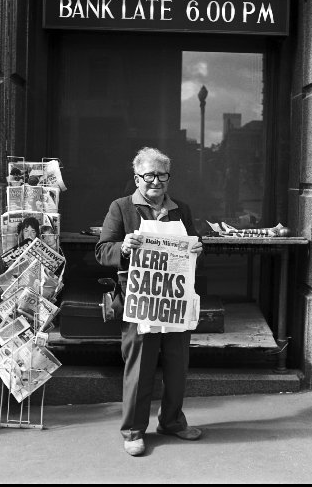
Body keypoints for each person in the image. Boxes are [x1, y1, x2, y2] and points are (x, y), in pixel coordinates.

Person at [95, 147, 203, 457]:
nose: (156, 181)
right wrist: (124, 247)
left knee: (177, 365)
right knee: (139, 367)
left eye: (162, 175)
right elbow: (103, 251)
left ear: (169, 177)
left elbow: (195, 243)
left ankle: (171, 422)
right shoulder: (122, 207)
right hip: (140, 300)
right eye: (149, 175)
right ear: (137, 178)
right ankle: (133, 431)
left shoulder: (181, 209)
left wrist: (198, 249)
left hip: (176, 301)